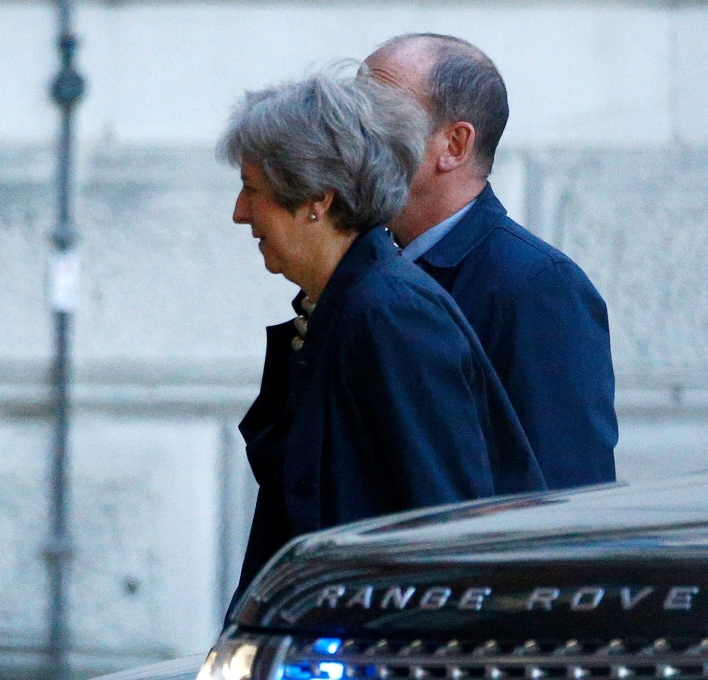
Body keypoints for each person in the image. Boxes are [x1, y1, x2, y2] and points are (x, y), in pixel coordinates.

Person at [219, 69, 546, 609]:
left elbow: (444, 528)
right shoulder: (339, 306)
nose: (239, 212)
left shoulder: (388, 312)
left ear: (316, 199)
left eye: (252, 189)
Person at [364, 34, 618, 490]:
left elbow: (565, 497)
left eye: (376, 113)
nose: (347, 133)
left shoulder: (536, 285)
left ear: (454, 145)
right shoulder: (369, 265)